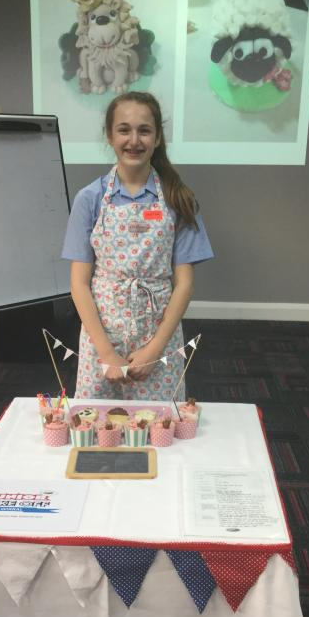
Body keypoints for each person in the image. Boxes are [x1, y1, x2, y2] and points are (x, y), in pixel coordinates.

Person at [61, 91, 213, 401]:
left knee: (158, 431)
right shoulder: (89, 200)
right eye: (124, 129)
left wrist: (154, 350)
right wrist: (105, 352)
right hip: (102, 334)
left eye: (144, 130)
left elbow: (183, 284)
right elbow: (79, 283)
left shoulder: (178, 199)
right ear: (109, 136)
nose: (134, 140)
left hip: (158, 335)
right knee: (97, 427)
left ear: (157, 137)